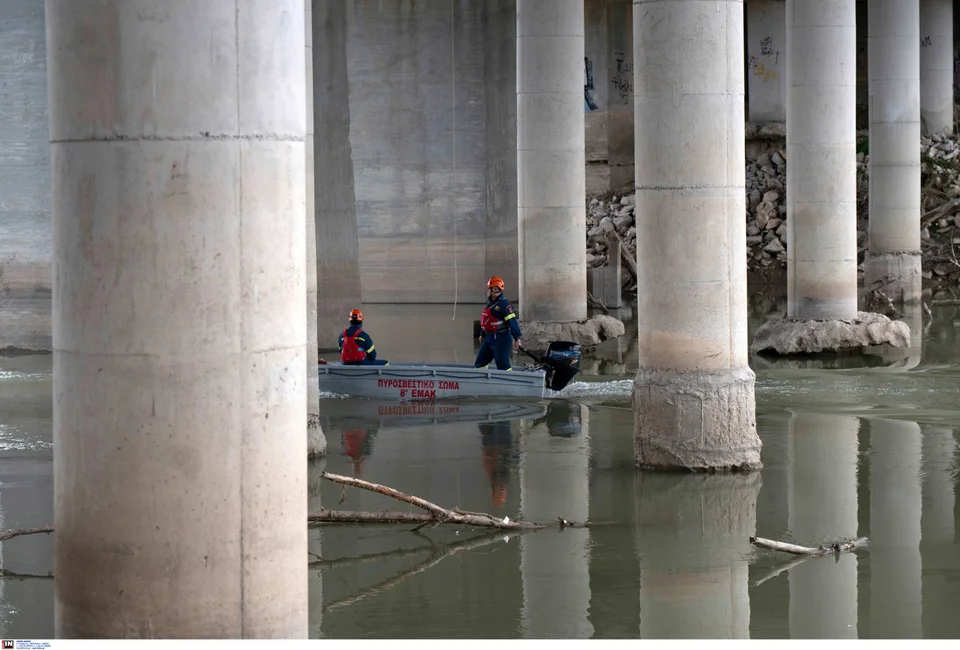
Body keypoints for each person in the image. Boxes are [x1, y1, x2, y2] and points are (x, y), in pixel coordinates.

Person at [474, 276, 523, 371]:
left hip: (501, 338)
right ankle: (480, 382)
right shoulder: (490, 303)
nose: (487, 290)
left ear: (494, 290)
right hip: (489, 337)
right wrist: (482, 334)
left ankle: (509, 383)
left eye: (489, 288)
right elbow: (486, 321)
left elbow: (512, 321)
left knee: (503, 364)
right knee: (480, 362)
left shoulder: (504, 305)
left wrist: (517, 338)